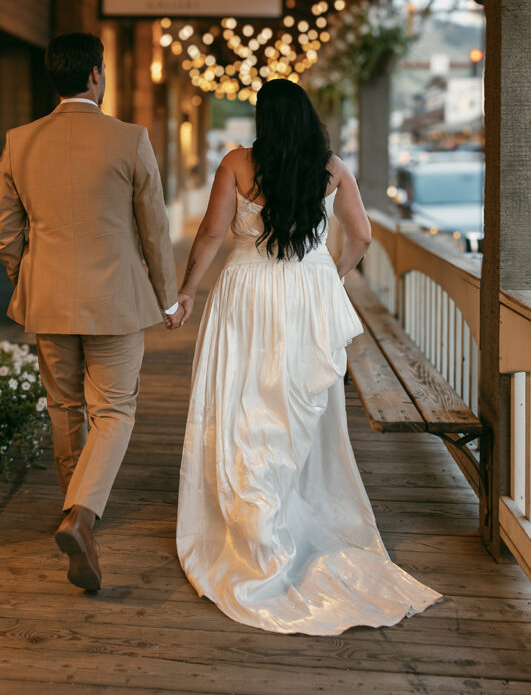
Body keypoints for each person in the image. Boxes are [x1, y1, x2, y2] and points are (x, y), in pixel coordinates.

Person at [175, 79, 442, 635]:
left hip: (246, 294)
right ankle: (286, 511)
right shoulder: (332, 168)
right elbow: (363, 235)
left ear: (263, 119)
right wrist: (331, 275)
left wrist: (186, 291)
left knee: (244, 406)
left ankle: (254, 525)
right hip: (304, 298)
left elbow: (209, 234)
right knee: (292, 412)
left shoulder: (237, 163)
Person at [0, 32, 183, 591]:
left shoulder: (20, 141)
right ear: (96, 75)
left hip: (47, 298)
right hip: (117, 303)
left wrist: (28, 280)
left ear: (57, 78)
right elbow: (155, 228)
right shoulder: (130, 139)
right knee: (115, 410)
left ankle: (74, 507)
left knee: (64, 405)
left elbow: (5, 232)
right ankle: (83, 516)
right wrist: (168, 297)